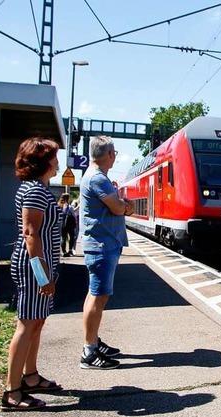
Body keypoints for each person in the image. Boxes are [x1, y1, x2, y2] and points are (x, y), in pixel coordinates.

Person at [4, 137, 63, 410]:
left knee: (36, 322)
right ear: (43, 162)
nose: (57, 161)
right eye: (53, 156)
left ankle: (30, 376)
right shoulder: (36, 192)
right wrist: (42, 276)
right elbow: (30, 234)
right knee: (27, 325)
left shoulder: (35, 188)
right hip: (33, 269)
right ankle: (13, 392)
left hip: (40, 267)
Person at [80, 136, 133, 369]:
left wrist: (123, 205)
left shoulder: (95, 176)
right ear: (108, 154)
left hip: (103, 244)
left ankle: (93, 342)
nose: (115, 157)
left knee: (96, 295)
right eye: (114, 153)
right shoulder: (98, 178)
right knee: (98, 296)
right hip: (101, 245)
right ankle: (89, 352)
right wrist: (126, 206)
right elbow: (118, 207)